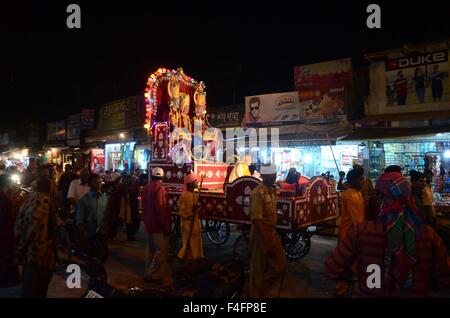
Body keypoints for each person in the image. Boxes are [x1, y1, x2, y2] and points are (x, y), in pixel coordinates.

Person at [325, 171, 450, 297]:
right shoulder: (428, 235)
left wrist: (354, 274)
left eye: (376, 194)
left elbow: (332, 268)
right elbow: (444, 277)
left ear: (380, 197)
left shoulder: (362, 232)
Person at [15, 177, 57, 298]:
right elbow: (33, 229)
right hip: (37, 255)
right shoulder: (42, 201)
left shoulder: (31, 200)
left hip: (34, 255)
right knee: (34, 289)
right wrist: (22, 249)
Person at [249, 163, 287, 298]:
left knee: (281, 265)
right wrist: (268, 242)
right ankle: (255, 293)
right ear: (264, 175)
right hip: (261, 234)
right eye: (271, 175)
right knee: (257, 267)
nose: (274, 177)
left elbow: (271, 211)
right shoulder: (257, 193)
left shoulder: (272, 191)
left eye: (275, 174)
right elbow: (257, 220)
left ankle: (260, 288)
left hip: (271, 232)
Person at [335, 168, 366, 296]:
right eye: (360, 179)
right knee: (346, 265)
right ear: (353, 180)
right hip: (349, 235)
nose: (363, 181)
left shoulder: (357, 192)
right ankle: (341, 290)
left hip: (354, 234)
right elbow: (356, 220)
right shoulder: (349, 195)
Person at [142, 167, 172, 285]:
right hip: (158, 226)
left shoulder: (146, 188)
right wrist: (166, 226)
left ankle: (148, 272)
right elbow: (161, 209)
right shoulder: (159, 189)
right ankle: (152, 275)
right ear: (162, 177)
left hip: (149, 224)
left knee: (150, 250)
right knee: (161, 251)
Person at [76, 174, 109, 263]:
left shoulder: (105, 199)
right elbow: (80, 222)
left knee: (101, 260)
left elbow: (106, 217)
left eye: (99, 182)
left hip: (101, 236)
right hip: (89, 236)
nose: (98, 184)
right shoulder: (84, 200)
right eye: (95, 182)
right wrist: (84, 239)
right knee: (91, 261)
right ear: (89, 184)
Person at [177, 172, 204, 260]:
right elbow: (182, 212)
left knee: (195, 244)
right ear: (190, 184)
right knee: (189, 245)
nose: (197, 183)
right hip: (187, 225)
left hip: (195, 223)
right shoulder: (184, 196)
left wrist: (196, 208)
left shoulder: (193, 195)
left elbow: (195, 210)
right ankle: (182, 258)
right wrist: (192, 209)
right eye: (195, 181)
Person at [0, 175, 20, 287]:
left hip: (6, 232)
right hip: (5, 232)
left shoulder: (6, 196)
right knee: (5, 256)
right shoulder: (3, 198)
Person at [117, 174, 140, 241]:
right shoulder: (131, 187)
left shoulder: (125, 186)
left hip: (130, 207)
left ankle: (130, 234)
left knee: (130, 222)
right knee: (130, 222)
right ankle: (130, 235)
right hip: (128, 208)